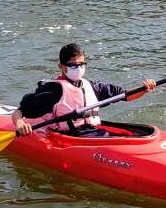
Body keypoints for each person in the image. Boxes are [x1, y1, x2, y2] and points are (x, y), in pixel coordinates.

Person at [12, 43, 156, 138]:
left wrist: (145, 89)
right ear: (61, 66)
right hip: (70, 136)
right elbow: (20, 111)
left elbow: (126, 96)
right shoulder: (52, 90)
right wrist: (20, 124)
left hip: (93, 132)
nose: (79, 68)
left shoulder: (92, 86)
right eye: (73, 65)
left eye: (82, 64)